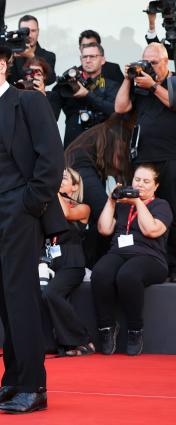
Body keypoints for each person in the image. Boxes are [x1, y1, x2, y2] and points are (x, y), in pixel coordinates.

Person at [0, 36, 65, 414]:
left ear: (3, 66)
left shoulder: (28, 101)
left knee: (21, 298)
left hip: (19, 212)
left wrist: (29, 205)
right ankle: (12, 380)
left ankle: (33, 386)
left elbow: (51, 159)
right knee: (5, 300)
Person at [93, 164, 172, 356]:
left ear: (156, 186)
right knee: (100, 273)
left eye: (146, 181)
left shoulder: (161, 205)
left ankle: (135, 330)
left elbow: (150, 230)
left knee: (128, 275)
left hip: (150, 257)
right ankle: (107, 328)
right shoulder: (121, 205)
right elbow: (104, 229)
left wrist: (138, 203)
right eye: (137, 180)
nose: (141, 184)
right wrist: (111, 201)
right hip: (119, 252)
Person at [115, 42, 176, 281]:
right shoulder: (140, 86)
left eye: (153, 63)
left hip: (170, 157)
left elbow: (173, 102)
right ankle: (152, 261)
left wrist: (153, 87)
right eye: (145, 62)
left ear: (166, 62)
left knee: (172, 211)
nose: (148, 67)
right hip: (143, 160)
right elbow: (120, 107)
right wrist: (129, 79)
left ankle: (173, 266)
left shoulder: (172, 81)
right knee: (143, 211)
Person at [65, 115, 134, 267]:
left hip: (79, 170)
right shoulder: (113, 134)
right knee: (106, 216)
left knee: (102, 218)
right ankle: (102, 260)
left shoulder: (95, 139)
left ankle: (94, 261)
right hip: (81, 171)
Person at [41, 168, 94, 357]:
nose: (58, 180)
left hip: (72, 264)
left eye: (62, 178)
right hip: (50, 263)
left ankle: (82, 339)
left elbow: (66, 214)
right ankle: (48, 343)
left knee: (51, 293)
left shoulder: (83, 207)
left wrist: (53, 188)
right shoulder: (47, 208)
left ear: (75, 186)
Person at [51, 43, 120, 147]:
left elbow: (114, 111)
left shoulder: (112, 85)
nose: (88, 60)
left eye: (92, 56)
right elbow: (51, 113)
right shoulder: (69, 84)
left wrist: (88, 95)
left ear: (102, 60)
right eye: (84, 57)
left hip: (102, 146)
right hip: (73, 147)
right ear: (80, 59)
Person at [10, 15, 56, 85]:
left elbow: (50, 79)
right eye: (25, 31)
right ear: (19, 33)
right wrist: (10, 59)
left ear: (38, 31)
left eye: (33, 31)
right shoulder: (12, 54)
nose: (30, 35)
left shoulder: (49, 56)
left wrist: (32, 57)